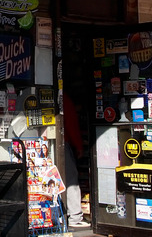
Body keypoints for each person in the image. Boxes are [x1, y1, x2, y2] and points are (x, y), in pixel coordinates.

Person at [63, 93, 90, 228]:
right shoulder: (65, 100)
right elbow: (71, 124)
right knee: (70, 179)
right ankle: (75, 216)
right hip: (63, 144)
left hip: (50, 143)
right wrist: (79, 146)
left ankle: (64, 215)